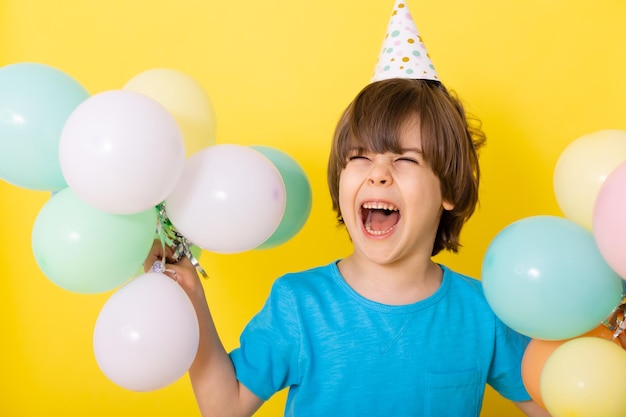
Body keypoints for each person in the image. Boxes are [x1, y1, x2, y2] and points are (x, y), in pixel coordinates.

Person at [144, 76, 551, 416]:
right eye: (359, 157)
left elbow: (554, 402)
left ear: (449, 189)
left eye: (405, 160)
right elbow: (224, 407)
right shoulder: (298, 304)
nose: (378, 175)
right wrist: (192, 296)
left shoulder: (483, 311)